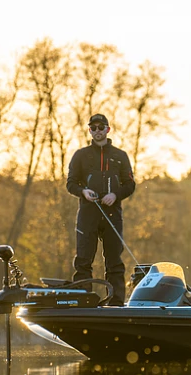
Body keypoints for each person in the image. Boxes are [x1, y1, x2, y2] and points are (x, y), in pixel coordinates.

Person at [66, 114, 136, 305]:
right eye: (93, 128)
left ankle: (116, 302)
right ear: (90, 130)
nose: (97, 131)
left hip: (113, 214)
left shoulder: (120, 156)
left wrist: (115, 195)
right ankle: (81, 300)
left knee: (114, 262)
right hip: (88, 214)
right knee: (83, 261)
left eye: (101, 127)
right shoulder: (80, 155)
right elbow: (70, 184)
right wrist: (83, 191)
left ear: (108, 129)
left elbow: (130, 184)